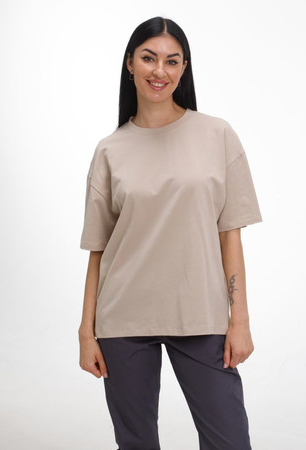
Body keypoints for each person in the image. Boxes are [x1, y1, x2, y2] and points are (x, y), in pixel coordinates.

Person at [78, 16, 263, 450]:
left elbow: (230, 236)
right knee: (136, 443)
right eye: (149, 58)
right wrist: (86, 332)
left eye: (172, 61)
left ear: (184, 69)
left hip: (200, 314)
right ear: (130, 63)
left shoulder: (216, 134)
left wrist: (239, 321)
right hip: (123, 317)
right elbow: (99, 250)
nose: (159, 70)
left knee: (229, 441)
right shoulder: (110, 150)